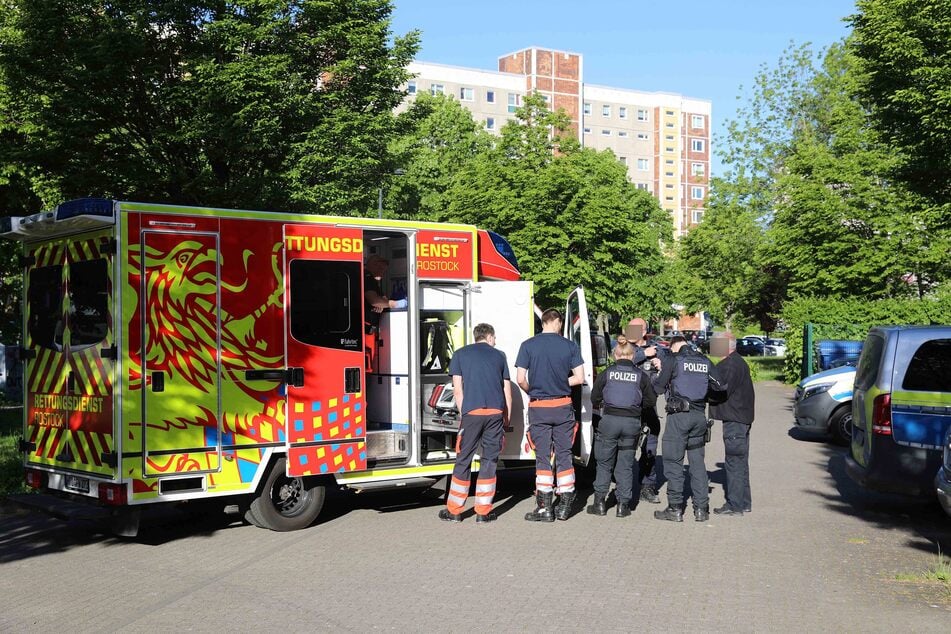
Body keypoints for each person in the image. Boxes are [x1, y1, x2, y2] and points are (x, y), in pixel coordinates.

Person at [439, 323, 513, 523]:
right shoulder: (500, 356)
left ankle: (454, 510)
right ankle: (483, 512)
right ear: (489, 337)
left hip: (472, 413)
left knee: (464, 459)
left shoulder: (460, 354)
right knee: (489, 460)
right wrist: (507, 418)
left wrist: (466, 414)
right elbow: (507, 391)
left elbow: (457, 390)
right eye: (494, 338)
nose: (495, 341)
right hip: (495, 413)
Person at [516, 309, 585, 522]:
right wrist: (560, 384)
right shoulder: (570, 346)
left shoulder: (528, 345)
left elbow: (520, 379)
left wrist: (534, 390)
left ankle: (544, 508)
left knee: (543, 456)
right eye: (560, 323)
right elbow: (580, 378)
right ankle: (565, 505)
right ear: (554, 321)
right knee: (564, 454)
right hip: (563, 405)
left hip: (540, 407)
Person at [651, 335, 727, 522]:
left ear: (674, 347)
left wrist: (658, 374)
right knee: (698, 464)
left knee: (673, 462)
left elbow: (658, 388)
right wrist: (703, 398)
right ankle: (701, 509)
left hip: (678, 418)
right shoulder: (704, 361)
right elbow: (721, 387)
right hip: (699, 417)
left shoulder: (674, 359)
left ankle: (675, 508)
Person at [588, 341, 657, 517]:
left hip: (610, 421)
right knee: (625, 465)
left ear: (615, 355)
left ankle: (599, 503)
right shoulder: (641, 375)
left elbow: (594, 397)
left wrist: (606, 402)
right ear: (633, 356)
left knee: (604, 463)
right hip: (631, 423)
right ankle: (623, 505)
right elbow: (651, 401)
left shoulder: (607, 373)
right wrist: (637, 409)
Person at [709, 334, 755, 516]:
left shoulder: (730, 364)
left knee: (734, 462)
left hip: (735, 420)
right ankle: (744, 502)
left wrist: (704, 395)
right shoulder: (738, 362)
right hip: (741, 419)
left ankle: (735, 505)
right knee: (741, 462)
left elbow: (721, 389)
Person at [625, 317, 665, 505]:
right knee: (625, 449)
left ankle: (647, 487)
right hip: (627, 408)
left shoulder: (656, 349)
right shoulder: (624, 348)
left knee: (650, 447)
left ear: (643, 331)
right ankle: (622, 489)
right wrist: (643, 354)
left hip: (648, 408)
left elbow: (668, 373)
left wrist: (660, 365)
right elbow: (620, 361)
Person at [364, 255, 406, 370]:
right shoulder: (367, 278)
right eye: (381, 269)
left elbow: (382, 300)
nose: (383, 273)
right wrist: (397, 304)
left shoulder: (371, 279)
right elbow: (375, 301)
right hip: (366, 331)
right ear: (374, 265)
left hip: (369, 331)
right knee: (366, 369)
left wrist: (383, 303)